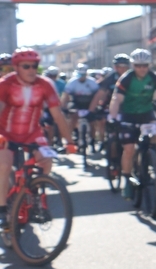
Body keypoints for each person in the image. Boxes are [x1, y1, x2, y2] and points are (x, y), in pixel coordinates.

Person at [0, 49, 74, 229]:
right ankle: (2, 209)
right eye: (26, 66)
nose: (32, 70)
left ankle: (33, 192)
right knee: (4, 165)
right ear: (16, 68)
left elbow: (58, 115)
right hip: (6, 133)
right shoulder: (5, 84)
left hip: (32, 132)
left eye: (35, 66)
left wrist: (70, 141)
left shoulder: (45, 84)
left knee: (46, 160)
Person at [108, 49, 156, 200]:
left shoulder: (154, 78)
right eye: (138, 66)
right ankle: (127, 179)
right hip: (128, 115)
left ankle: (150, 155)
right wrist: (112, 118)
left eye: (145, 65)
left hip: (146, 113)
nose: (142, 69)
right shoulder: (126, 79)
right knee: (129, 149)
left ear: (149, 65)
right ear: (133, 65)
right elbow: (116, 99)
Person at [63, 65, 101, 145]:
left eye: (83, 75)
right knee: (72, 117)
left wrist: (94, 108)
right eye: (80, 75)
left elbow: (98, 96)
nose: (82, 77)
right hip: (77, 103)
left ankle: (93, 139)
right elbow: (66, 95)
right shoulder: (72, 82)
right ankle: (69, 139)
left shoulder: (92, 82)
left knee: (92, 122)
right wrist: (63, 107)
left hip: (89, 103)